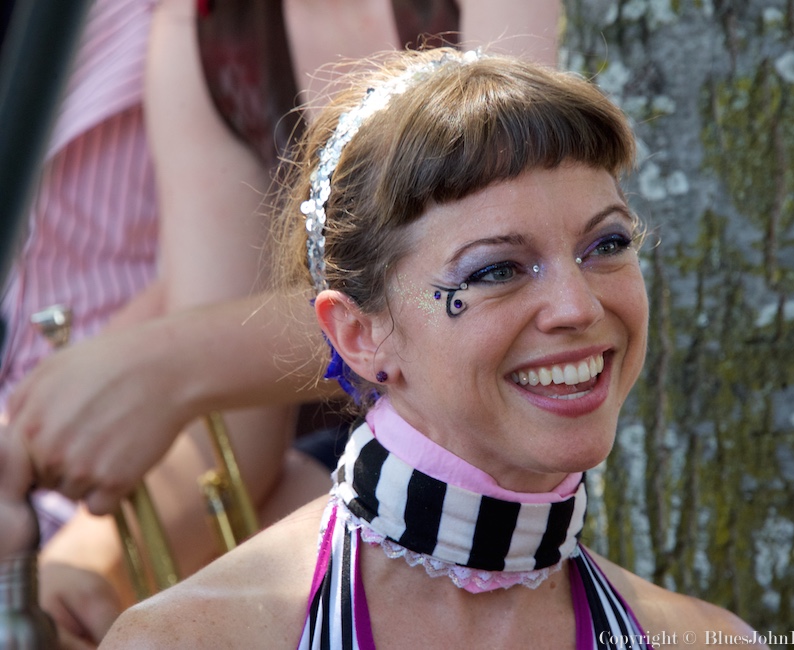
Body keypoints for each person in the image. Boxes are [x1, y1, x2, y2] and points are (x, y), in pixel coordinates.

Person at [100, 47, 763, 649]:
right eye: (496, 270)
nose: (578, 308)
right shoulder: (192, 640)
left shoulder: (707, 641)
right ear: (361, 335)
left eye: (606, 245)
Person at [2, 1, 562, 646]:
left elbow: (516, 282)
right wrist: (83, 571)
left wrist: (169, 363)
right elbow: (236, 429)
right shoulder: (201, 28)